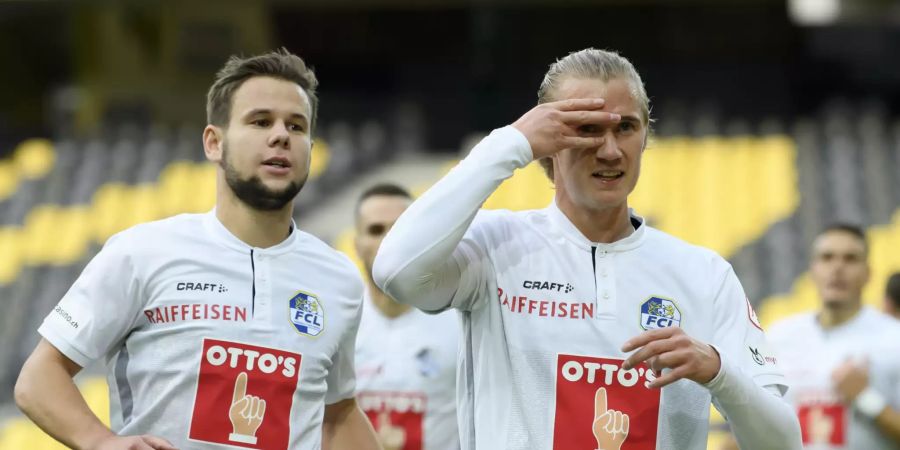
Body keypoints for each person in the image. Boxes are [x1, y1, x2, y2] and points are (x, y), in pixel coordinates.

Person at [372, 48, 802, 450]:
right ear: (547, 143)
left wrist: (719, 372)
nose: (611, 151)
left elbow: (783, 443)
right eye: (587, 130)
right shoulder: (493, 247)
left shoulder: (704, 275)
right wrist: (510, 143)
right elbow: (395, 272)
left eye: (626, 128)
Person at [14, 49, 380, 450]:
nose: (281, 135)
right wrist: (100, 442)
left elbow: (339, 410)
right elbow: (39, 377)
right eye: (260, 121)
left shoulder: (339, 278)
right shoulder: (142, 253)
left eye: (296, 126)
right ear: (213, 142)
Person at [767, 224, 900, 449]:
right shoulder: (779, 336)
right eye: (827, 258)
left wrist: (868, 399)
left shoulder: (894, 338)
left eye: (850, 259)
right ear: (812, 270)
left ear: (868, 273)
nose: (837, 268)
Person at [353, 183, 460, 450]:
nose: (388, 240)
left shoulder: (459, 320)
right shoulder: (337, 323)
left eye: (398, 228)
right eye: (376, 230)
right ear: (357, 244)